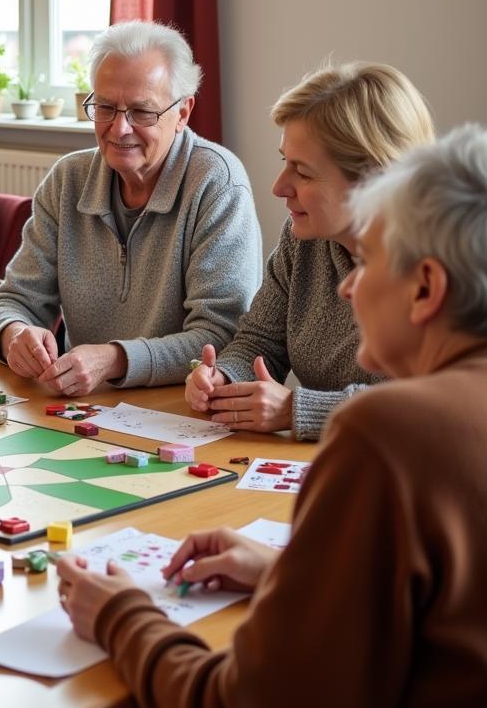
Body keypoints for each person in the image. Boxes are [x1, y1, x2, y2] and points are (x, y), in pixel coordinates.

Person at [42, 125, 487, 708]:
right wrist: (291, 572)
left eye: (366, 264)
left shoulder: (388, 432)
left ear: (425, 289)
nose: (344, 290)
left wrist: (119, 615)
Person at [0, 20, 262, 396]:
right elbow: (12, 300)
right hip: (81, 408)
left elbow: (222, 337)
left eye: (142, 112)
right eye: (105, 107)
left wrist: (115, 359)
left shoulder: (216, 181)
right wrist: (14, 334)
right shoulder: (68, 179)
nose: (119, 129)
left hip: (180, 410)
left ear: (182, 113)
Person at [185, 62, 435, 439]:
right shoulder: (303, 237)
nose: (278, 186)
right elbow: (259, 341)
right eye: (285, 161)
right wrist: (222, 378)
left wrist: (297, 410)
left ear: (373, 180)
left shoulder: (447, 259)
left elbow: (438, 402)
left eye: (302, 172)